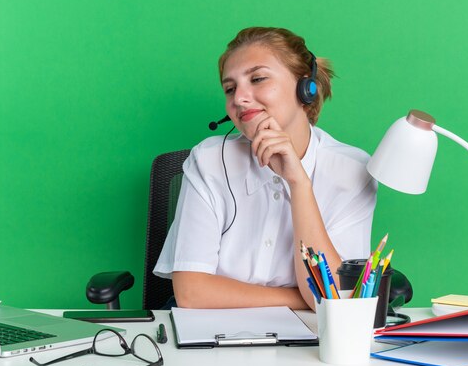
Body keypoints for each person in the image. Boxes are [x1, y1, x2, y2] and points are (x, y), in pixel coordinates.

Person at [154, 27, 377, 310]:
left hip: (307, 338)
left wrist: (299, 184)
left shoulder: (352, 171)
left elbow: (335, 302)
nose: (239, 99)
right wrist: (300, 299)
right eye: (230, 88)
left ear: (305, 88)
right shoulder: (209, 160)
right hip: (211, 332)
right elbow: (191, 293)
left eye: (257, 79)